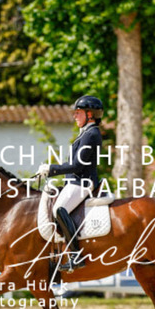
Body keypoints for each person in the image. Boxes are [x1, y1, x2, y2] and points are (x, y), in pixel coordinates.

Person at [37, 95, 103, 271]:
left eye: (78, 112)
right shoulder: (86, 133)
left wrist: (52, 169)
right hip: (75, 182)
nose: (74, 116)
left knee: (59, 209)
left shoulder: (92, 134)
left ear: (90, 114)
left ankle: (75, 256)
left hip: (83, 182)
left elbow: (77, 165)